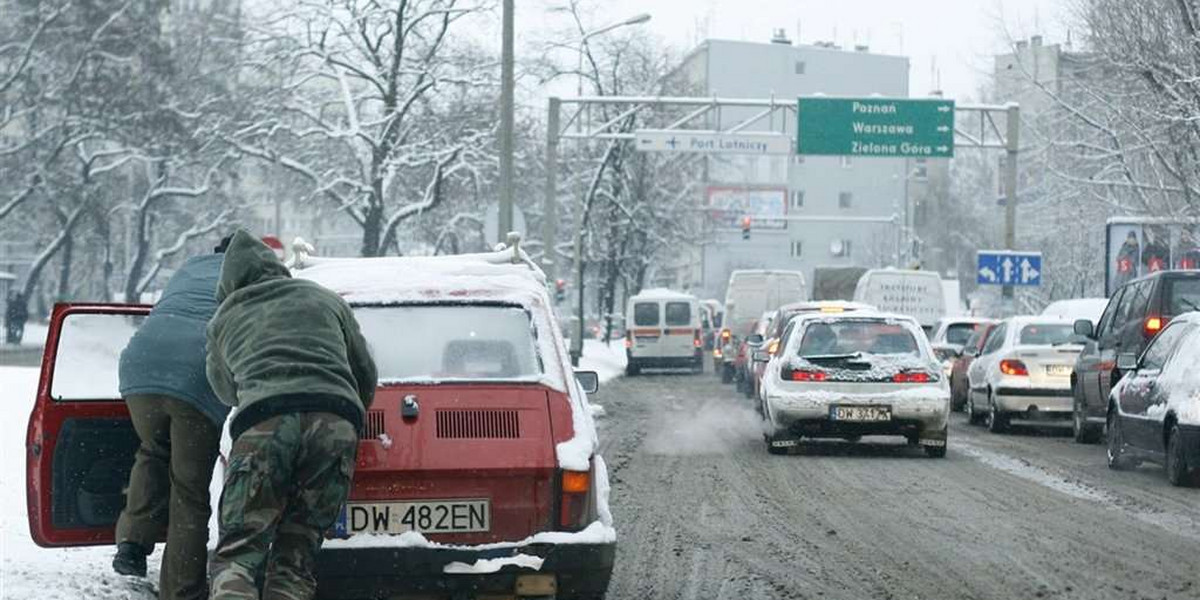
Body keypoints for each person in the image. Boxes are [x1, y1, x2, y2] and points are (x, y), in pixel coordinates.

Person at [206, 230, 376, 600]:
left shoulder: (225, 318)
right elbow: (364, 371)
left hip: (264, 422)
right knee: (296, 552)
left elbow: (223, 389)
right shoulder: (325, 299)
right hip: (336, 421)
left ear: (230, 281)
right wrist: (346, 414)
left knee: (239, 551)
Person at [112, 237, 233, 600]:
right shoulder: (248, 276)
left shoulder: (189, 267)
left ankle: (132, 544)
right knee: (189, 491)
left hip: (140, 363)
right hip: (195, 370)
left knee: (153, 449)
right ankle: (182, 590)